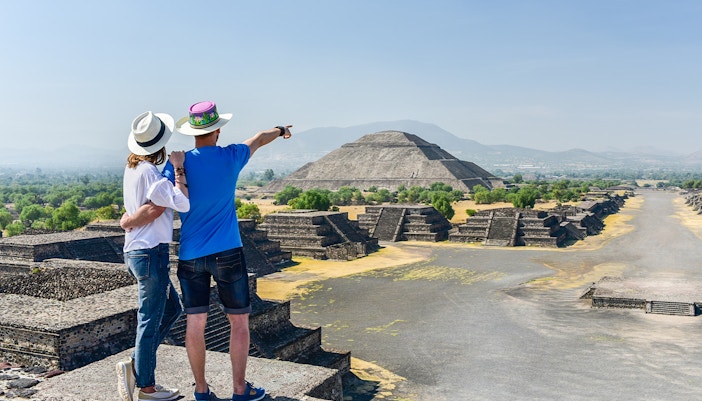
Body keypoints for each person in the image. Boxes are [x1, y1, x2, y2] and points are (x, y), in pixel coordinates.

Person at [121, 101, 292, 401]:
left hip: (190, 255)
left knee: (195, 322)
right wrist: (280, 131)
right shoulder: (232, 156)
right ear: (218, 129)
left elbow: (155, 204)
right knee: (238, 323)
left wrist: (128, 220)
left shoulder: (178, 165)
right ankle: (240, 390)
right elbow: (259, 139)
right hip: (228, 252)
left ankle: (202, 390)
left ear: (192, 131)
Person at [117, 111, 190, 401]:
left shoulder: (132, 170)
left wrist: (132, 219)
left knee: (172, 309)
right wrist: (179, 169)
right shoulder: (152, 174)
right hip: (151, 253)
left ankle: (136, 364)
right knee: (149, 318)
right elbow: (182, 204)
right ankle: (146, 386)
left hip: (137, 251)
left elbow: (146, 211)